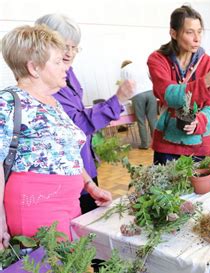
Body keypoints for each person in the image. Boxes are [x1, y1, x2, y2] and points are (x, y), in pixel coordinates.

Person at [0, 25, 112, 246]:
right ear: (34, 68)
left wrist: (90, 186)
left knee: (72, 269)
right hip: (35, 204)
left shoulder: (53, 103)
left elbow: (65, 153)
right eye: (58, 61)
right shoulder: (8, 102)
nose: (66, 68)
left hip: (68, 201)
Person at [35, 14, 135, 214]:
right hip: (69, 172)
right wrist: (117, 100)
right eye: (65, 46)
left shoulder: (67, 73)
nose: (70, 53)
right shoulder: (48, 84)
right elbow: (76, 123)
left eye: (74, 47)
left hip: (84, 164)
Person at [147, 5, 210, 165]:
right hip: (166, 145)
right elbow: (170, 95)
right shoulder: (157, 60)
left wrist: (200, 121)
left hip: (198, 144)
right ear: (173, 33)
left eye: (199, 31)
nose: (197, 38)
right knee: (165, 188)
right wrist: (205, 82)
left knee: (199, 188)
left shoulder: (209, 63)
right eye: (190, 32)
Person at [120, 60, 157, 149]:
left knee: (141, 121)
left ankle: (145, 144)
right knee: (153, 120)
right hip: (150, 92)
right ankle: (157, 143)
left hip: (137, 95)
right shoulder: (140, 65)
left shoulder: (124, 70)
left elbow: (124, 85)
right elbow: (151, 77)